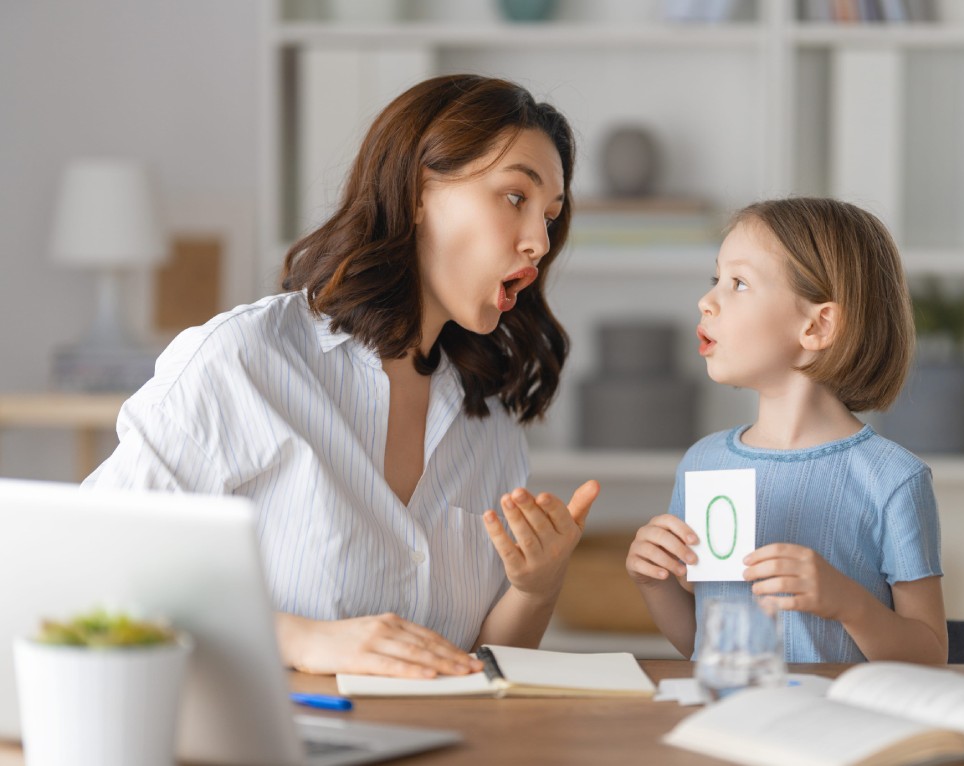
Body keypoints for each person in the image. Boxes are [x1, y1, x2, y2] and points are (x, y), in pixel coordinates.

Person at [84, 74, 600, 678]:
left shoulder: (490, 422)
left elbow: (480, 666)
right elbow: (97, 559)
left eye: (551, 216)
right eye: (516, 197)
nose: (539, 241)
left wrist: (535, 588)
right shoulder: (246, 360)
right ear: (415, 192)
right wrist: (299, 640)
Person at [625, 197, 947, 664]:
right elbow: (703, 645)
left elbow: (931, 655)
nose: (706, 300)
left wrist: (848, 603)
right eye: (715, 279)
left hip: (836, 730)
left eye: (737, 283)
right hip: (731, 725)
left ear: (817, 326)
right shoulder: (703, 463)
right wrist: (653, 584)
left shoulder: (893, 479)